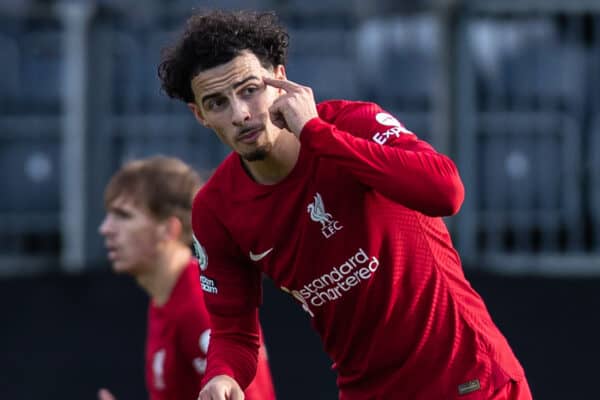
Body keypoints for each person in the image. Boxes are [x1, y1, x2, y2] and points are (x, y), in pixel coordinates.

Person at [158, 10, 532, 400]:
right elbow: (234, 333)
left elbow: (446, 192)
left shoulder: (354, 124)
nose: (241, 114)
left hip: (467, 379)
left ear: (281, 80)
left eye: (250, 89)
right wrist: (222, 376)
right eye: (217, 103)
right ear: (200, 115)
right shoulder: (216, 209)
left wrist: (318, 134)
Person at [97, 156, 277, 400]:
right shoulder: (167, 296)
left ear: (169, 229)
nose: (106, 228)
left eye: (123, 216)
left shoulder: (199, 302)